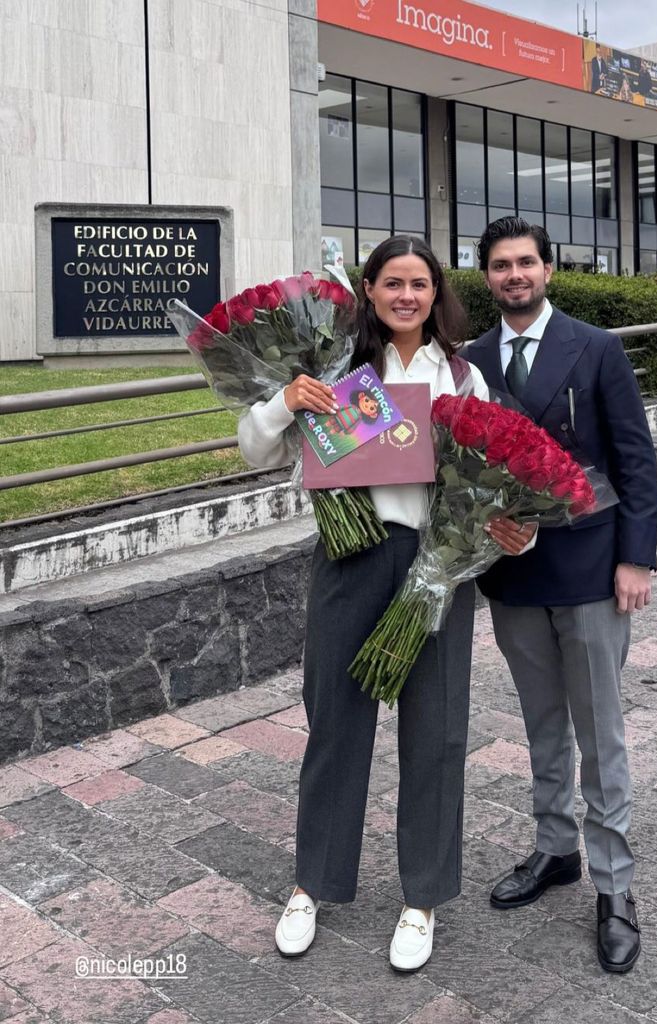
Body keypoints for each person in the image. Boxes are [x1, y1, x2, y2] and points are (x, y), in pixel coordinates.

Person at [237, 235, 531, 973]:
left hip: (437, 563)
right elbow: (254, 449)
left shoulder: (461, 376)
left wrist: (510, 530)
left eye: (420, 284)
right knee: (334, 725)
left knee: (435, 733)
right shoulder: (336, 370)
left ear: (437, 295)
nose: (406, 296)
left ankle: (421, 898)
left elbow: (493, 478)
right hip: (349, 558)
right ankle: (313, 885)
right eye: (392, 283)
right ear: (367, 290)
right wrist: (283, 400)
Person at [465, 217, 657, 974]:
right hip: (511, 575)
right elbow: (462, 465)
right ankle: (554, 851)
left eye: (525, 263)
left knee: (598, 733)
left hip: (588, 570)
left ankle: (615, 887)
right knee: (541, 725)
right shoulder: (472, 361)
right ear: (484, 277)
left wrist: (635, 560)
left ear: (549, 270)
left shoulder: (597, 348)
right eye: (500, 266)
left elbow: (635, 461)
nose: (514, 275)